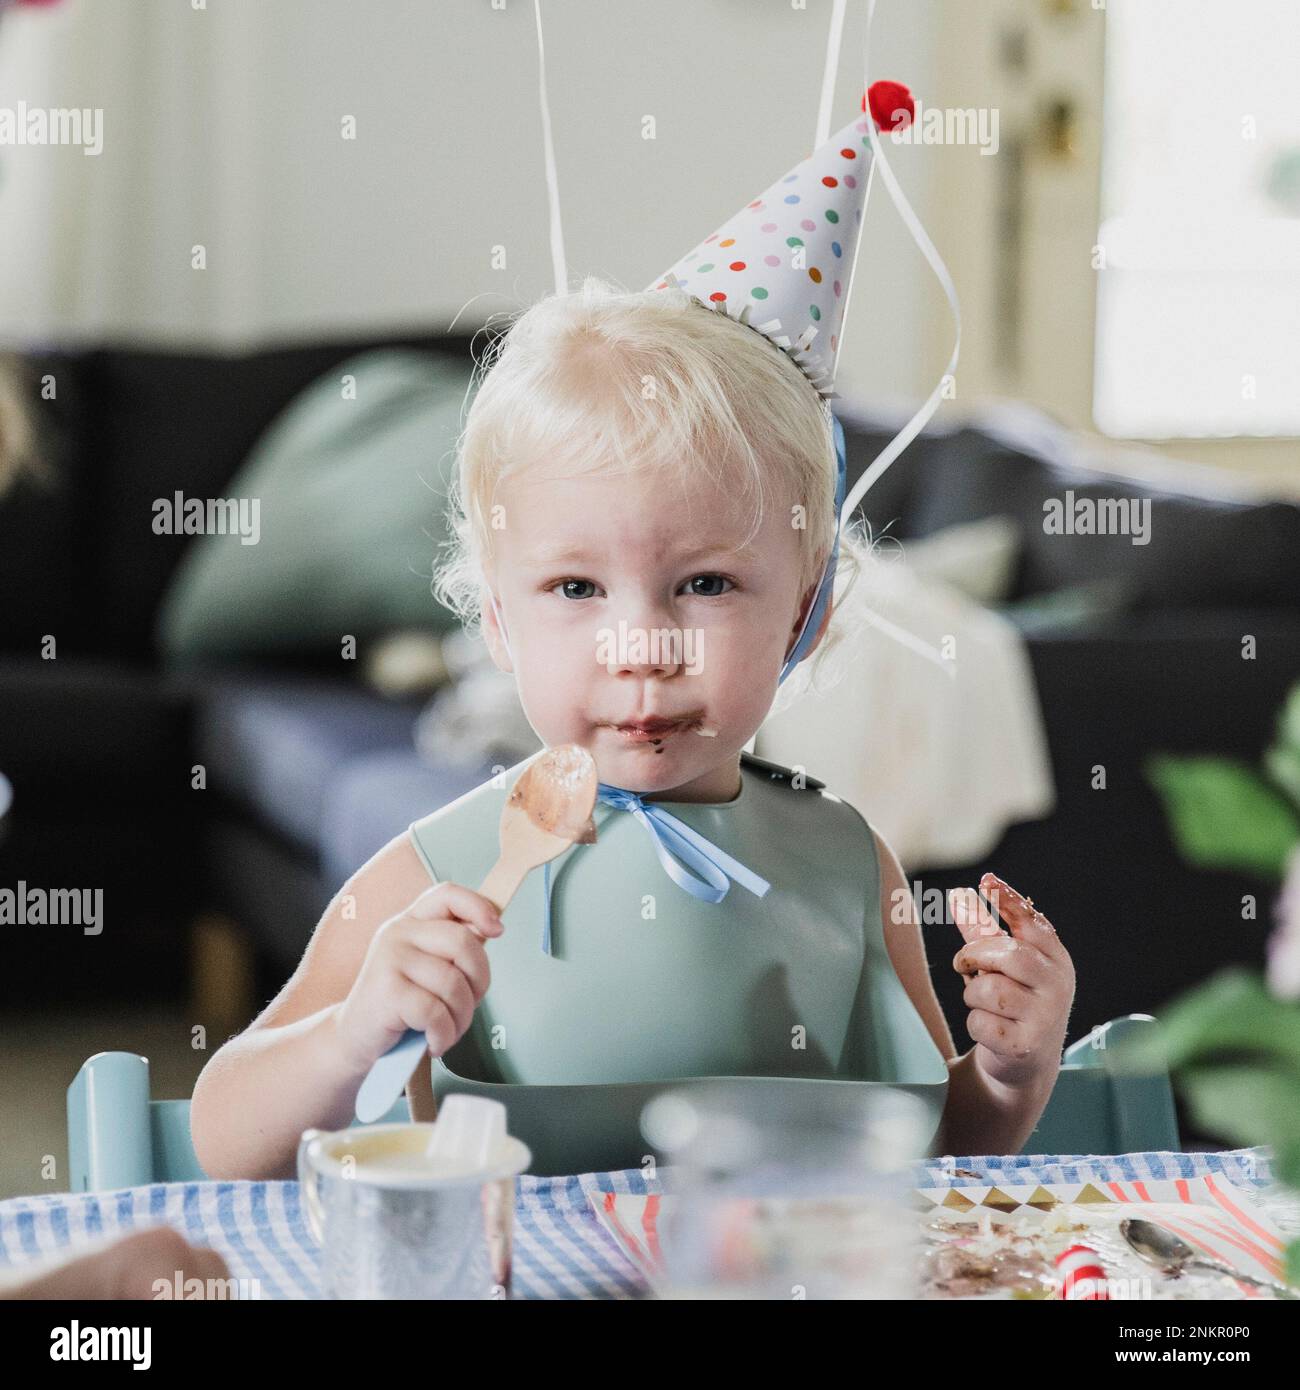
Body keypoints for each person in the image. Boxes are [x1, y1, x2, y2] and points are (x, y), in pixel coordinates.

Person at [191, 88, 1075, 1180]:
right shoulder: (437, 875)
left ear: (806, 612)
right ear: (499, 622)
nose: (640, 645)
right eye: (575, 589)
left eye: (703, 582)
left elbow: (935, 1149)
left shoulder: (847, 865)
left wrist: (1008, 1076)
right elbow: (225, 1137)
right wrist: (351, 1032)